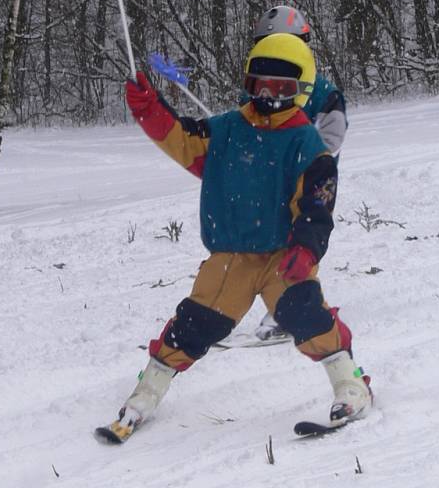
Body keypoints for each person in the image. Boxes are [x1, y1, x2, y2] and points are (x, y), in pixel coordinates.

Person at [108, 33, 371, 441]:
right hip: (230, 257)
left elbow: (317, 209)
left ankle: (350, 385)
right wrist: (148, 107)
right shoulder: (228, 129)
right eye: (258, 84)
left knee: (305, 315)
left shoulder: (307, 144)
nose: (268, 95)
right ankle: (146, 392)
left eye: (281, 88)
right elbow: (180, 137)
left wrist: (305, 251)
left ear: (300, 91)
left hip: (281, 257)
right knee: (193, 324)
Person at [250, 5, 349, 342]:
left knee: (303, 239)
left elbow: (332, 137)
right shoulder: (259, 88)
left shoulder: (323, 94)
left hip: (312, 184)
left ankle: (292, 309)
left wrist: (297, 157)